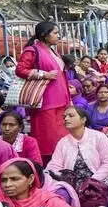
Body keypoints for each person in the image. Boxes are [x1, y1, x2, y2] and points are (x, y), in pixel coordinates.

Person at [15, 21, 70, 163]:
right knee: (47, 139)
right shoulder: (32, 50)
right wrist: (43, 74)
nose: (59, 36)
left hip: (61, 100)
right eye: (55, 33)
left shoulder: (53, 50)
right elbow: (20, 70)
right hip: (45, 102)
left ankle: (61, 165)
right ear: (44, 35)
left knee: (61, 137)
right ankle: (44, 168)